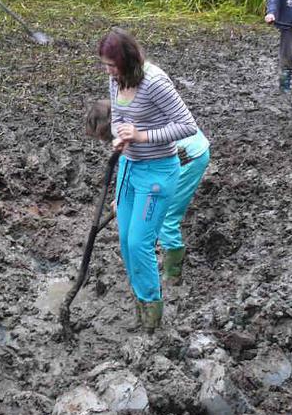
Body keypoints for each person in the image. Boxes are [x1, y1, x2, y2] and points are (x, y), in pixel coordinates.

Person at [98, 28, 197, 334]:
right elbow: (116, 118)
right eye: (105, 65)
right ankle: (140, 307)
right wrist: (119, 137)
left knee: (140, 242)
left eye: (113, 66)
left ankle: (152, 314)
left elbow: (187, 125)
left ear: (128, 61)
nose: (109, 72)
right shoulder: (116, 79)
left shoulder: (154, 82)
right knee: (126, 241)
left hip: (157, 171)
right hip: (129, 166)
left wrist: (142, 135)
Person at [84, 100, 210, 286]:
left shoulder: (135, 134)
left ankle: (173, 276)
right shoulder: (129, 119)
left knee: (166, 217)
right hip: (179, 152)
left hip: (189, 158)